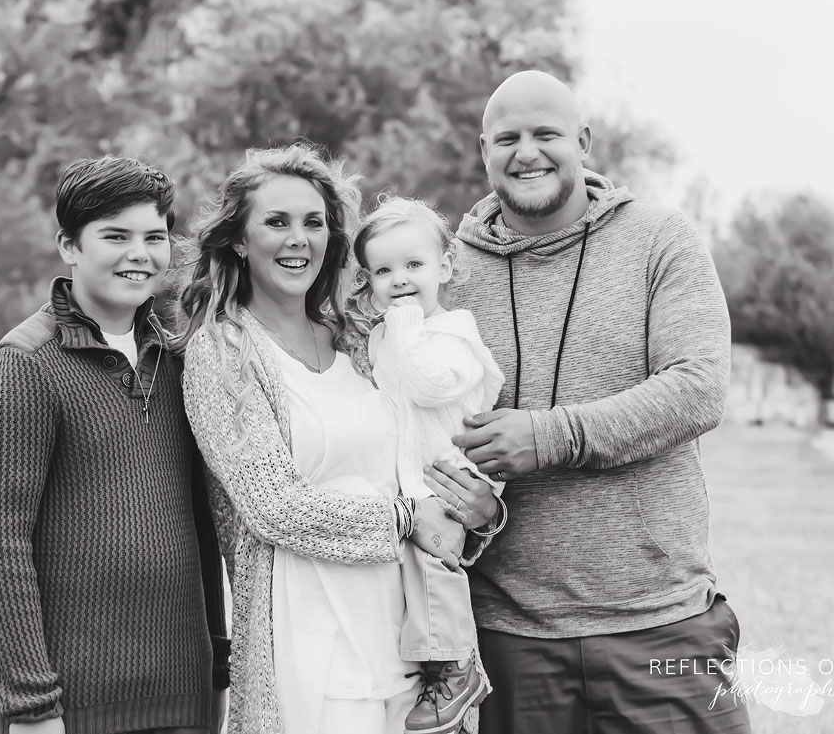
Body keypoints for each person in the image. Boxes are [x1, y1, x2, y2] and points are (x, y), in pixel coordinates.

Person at [423, 71, 751, 733]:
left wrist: (547, 436)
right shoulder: (445, 271)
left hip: (662, 624)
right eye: (507, 137)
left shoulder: (659, 238)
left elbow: (699, 386)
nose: (528, 152)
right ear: (483, 148)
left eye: (547, 134)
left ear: (584, 142)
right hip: (507, 634)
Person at [176, 144, 479, 734]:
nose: (299, 239)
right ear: (238, 239)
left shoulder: (360, 338)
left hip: (408, 629)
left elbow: (422, 456)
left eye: (313, 223)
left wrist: (475, 510)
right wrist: (404, 519)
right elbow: (271, 504)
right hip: (306, 627)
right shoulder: (223, 353)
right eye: (277, 222)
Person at [0, 156, 228, 734]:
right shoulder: (24, 367)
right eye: (116, 236)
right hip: (65, 703)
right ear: (69, 246)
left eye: (154, 237)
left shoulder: (183, 360)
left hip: (181, 692)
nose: (140, 254)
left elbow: (202, 526)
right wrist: (31, 703)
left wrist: (216, 661)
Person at [348, 196, 506, 734]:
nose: (400, 280)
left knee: (437, 566)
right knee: (412, 573)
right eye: (383, 270)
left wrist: (406, 324)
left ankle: (459, 667)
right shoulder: (386, 334)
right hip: (408, 479)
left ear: (446, 267)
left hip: (453, 473)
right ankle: (434, 664)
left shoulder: (454, 332)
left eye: (413, 265)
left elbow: (430, 384)